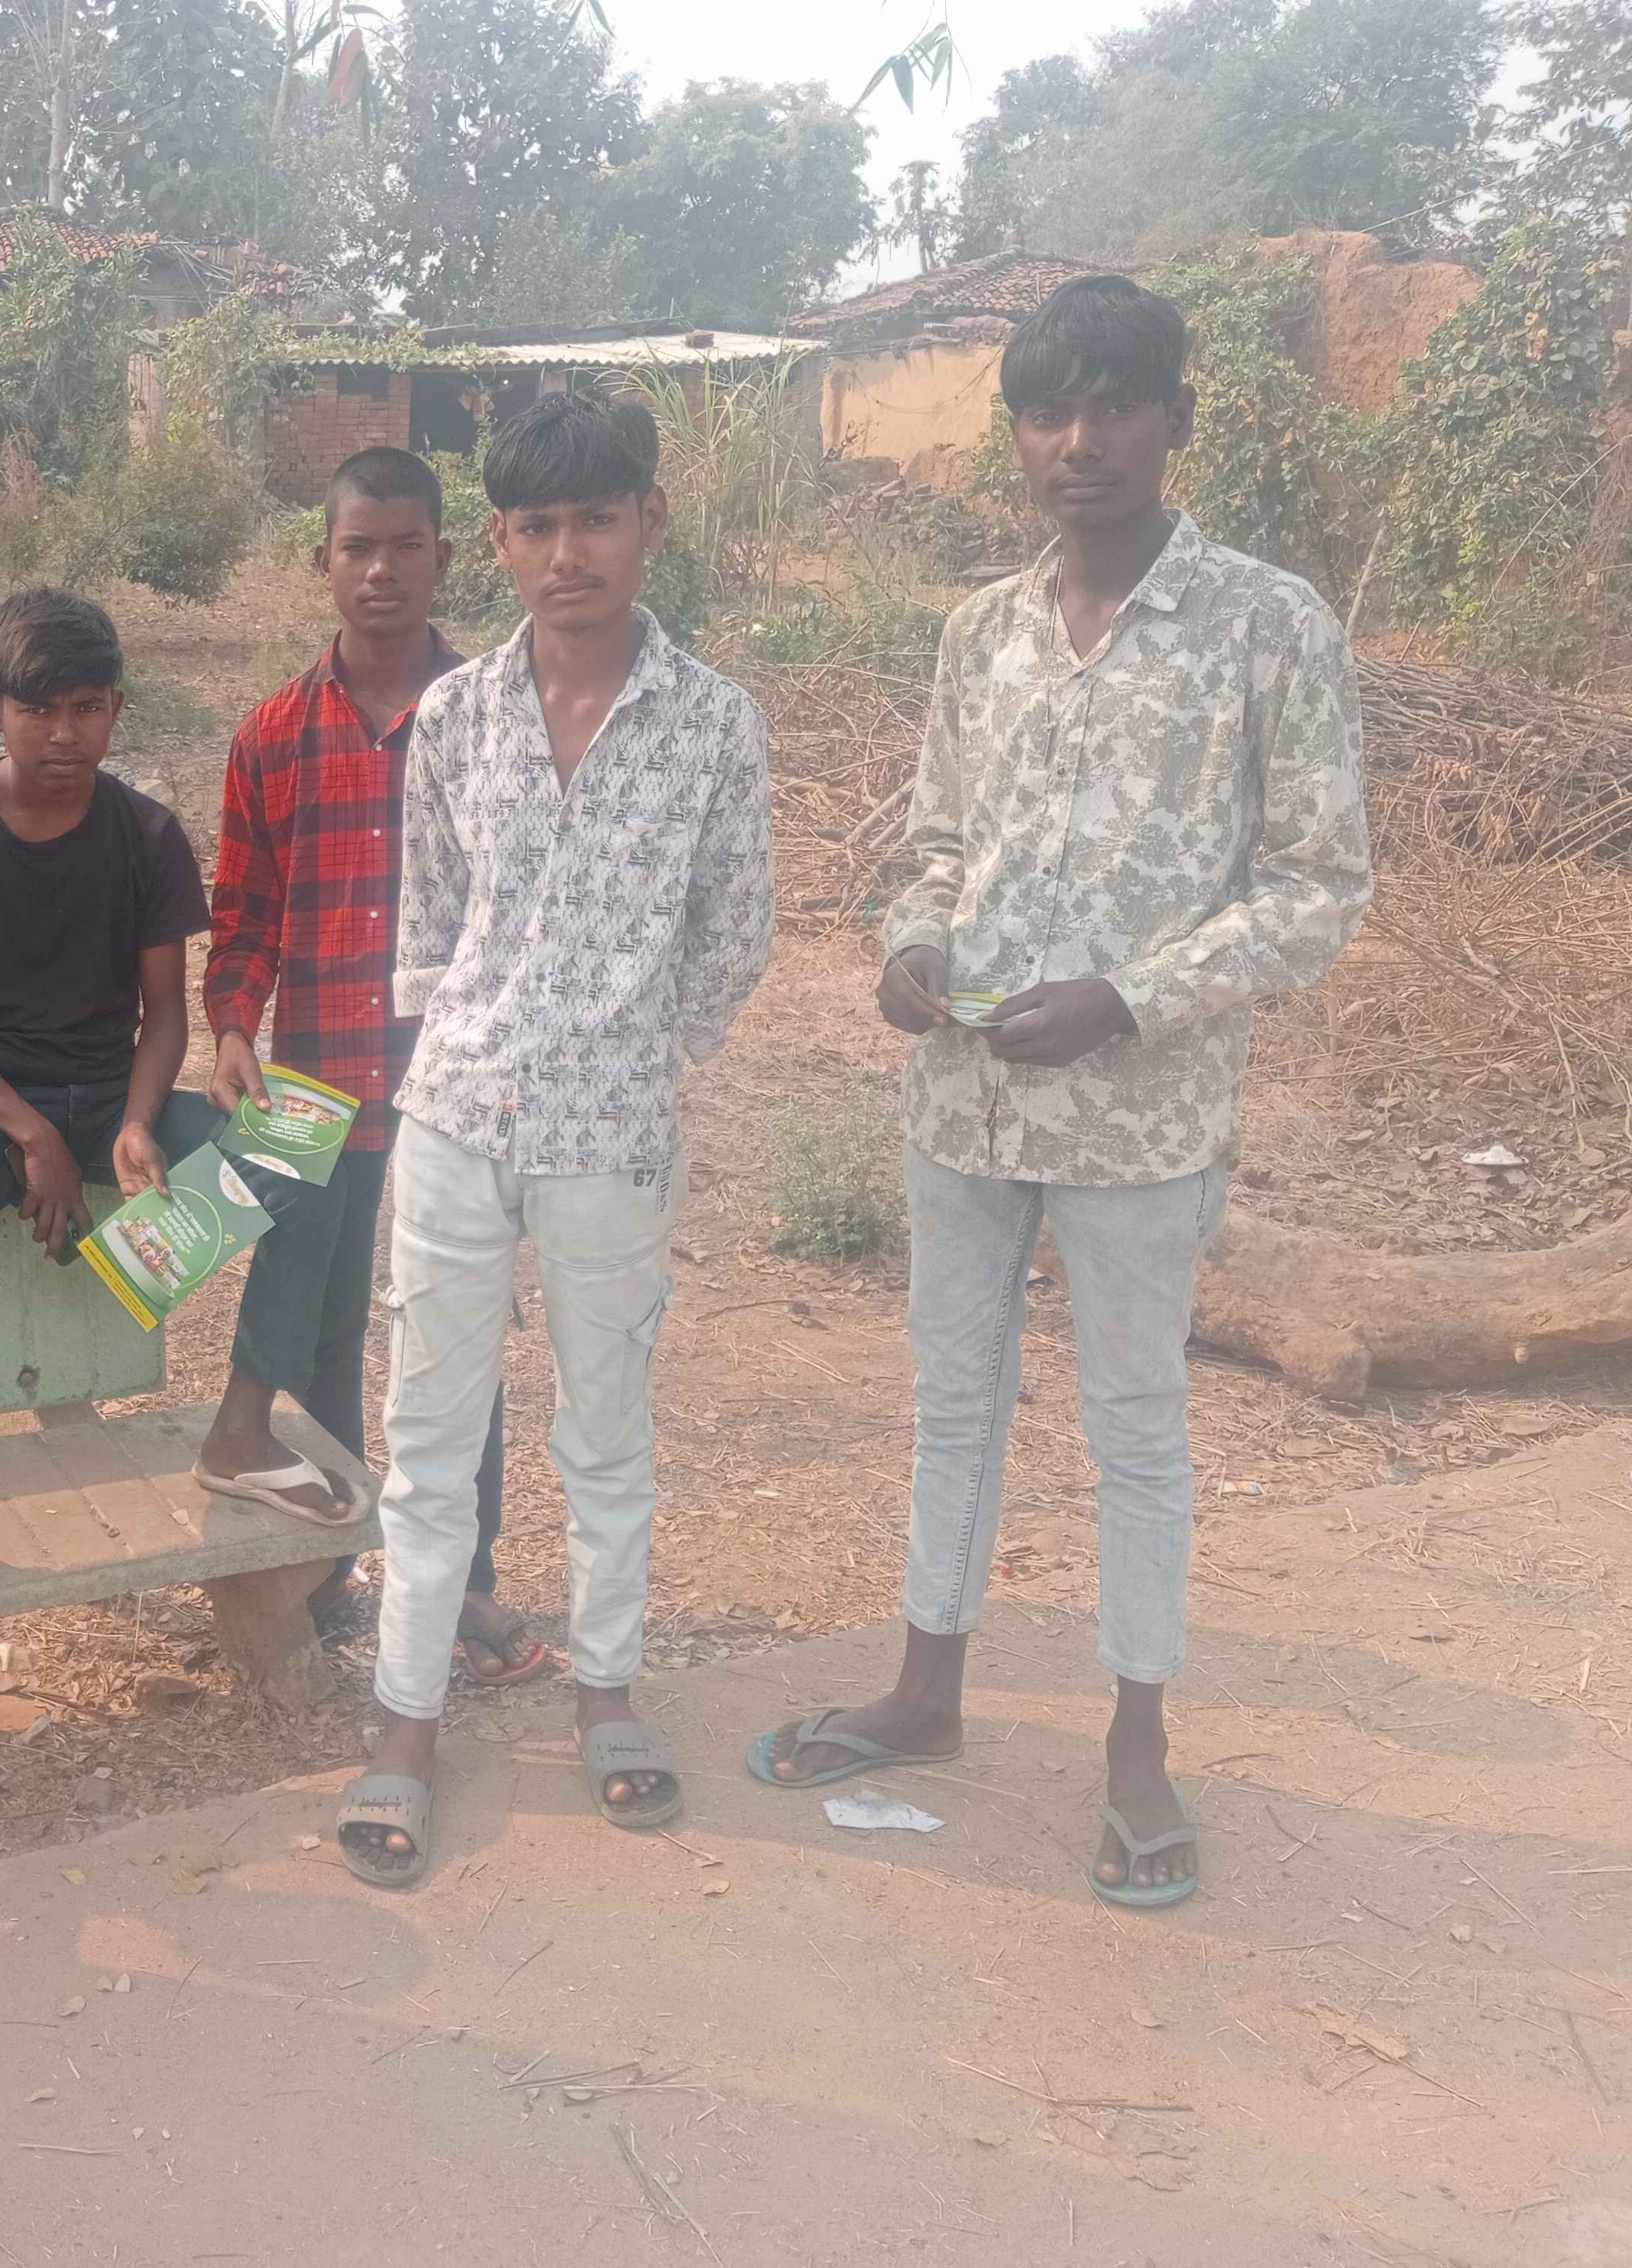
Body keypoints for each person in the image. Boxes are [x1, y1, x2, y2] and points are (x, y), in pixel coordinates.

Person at [743, 276, 1371, 1909]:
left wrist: (1130, 1000)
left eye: (1109, 407)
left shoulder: (1268, 626)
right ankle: (926, 1691)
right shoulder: (983, 631)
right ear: (1015, 434)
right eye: (1044, 413)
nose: (1075, 442)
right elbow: (940, 840)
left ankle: (1138, 1747)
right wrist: (911, 942)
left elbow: (1319, 888)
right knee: (953, 1401)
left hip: (1142, 1119)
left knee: (1136, 1426)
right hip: (964, 1102)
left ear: (1175, 418)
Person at [333, 390, 775, 1885]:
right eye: (537, 526)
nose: (568, 553)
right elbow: (430, 921)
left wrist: (639, 1050)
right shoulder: (457, 719)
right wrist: (466, 1048)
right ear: (503, 543)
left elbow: (735, 930)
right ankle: (406, 1720)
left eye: (597, 518)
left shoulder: (715, 724)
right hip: (457, 1119)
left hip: (611, 1136)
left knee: (605, 1431)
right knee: (429, 1439)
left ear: (652, 519)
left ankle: (607, 1692)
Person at [201, 446, 538, 1689]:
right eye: (359, 548)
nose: (381, 570)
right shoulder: (272, 736)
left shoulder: (501, 714)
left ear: (445, 557)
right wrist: (231, 1028)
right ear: (323, 563)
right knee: (321, 1329)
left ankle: (467, 1581)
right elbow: (243, 916)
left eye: (405, 547)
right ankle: (332, 1567)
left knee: (455, 1331)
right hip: (311, 1076)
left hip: (462, 1077)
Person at [0, 589, 227, 1650]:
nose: (66, 735)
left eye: (88, 708)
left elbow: (167, 1013)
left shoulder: (146, 834)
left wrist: (137, 1125)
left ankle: (226, 1414)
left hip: (115, 1092)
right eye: (39, 711)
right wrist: (33, 1136)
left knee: (298, 1152)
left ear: (116, 709)